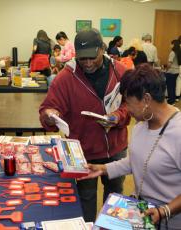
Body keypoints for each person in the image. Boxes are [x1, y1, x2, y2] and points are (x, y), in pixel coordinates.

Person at [39, 28, 130, 222]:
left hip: (116, 148)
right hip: (82, 151)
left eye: (92, 57)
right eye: (82, 59)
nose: (87, 63)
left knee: (115, 196)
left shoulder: (120, 71)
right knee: (85, 197)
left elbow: (132, 103)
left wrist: (117, 116)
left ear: (102, 49)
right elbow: (48, 108)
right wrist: (49, 116)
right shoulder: (66, 77)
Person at [79, 64, 181, 229]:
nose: (126, 109)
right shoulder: (142, 125)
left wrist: (165, 210)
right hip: (142, 211)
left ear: (146, 99)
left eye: (128, 102)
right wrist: (103, 168)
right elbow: (135, 161)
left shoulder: (177, 131)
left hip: (169, 221)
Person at [165, 39, 181, 105]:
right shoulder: (179, 52)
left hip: (171, 71)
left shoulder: (172, 52)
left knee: (170, 86)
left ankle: (171, 101)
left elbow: (169, 63)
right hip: (177, 71)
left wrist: (166, 69)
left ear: (173, 45)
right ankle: (173, 99)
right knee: (173, 86)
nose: (170, 45)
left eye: (171, 44)